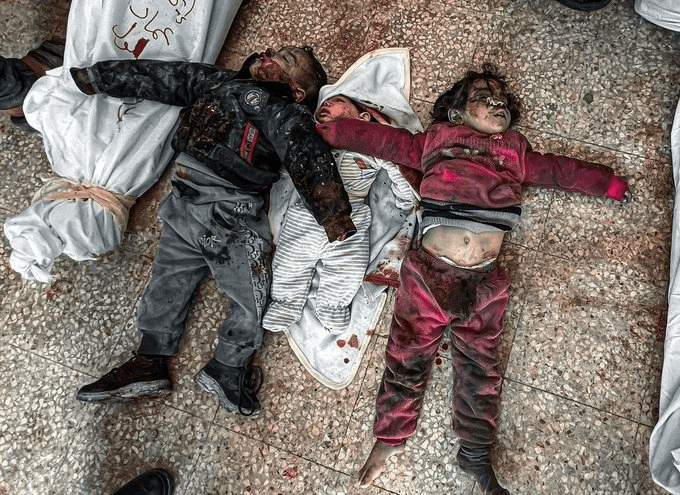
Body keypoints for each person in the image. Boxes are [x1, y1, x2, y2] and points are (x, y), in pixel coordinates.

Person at [317, 63, 630, 494]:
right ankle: (388, 439)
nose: (497, 101)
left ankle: (476, 453)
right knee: (406, 358)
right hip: (428, 275)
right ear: (456, 113)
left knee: (481, 369)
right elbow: (387, 142)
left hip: (484, 283)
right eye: (483, 96)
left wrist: (607, 183)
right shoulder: (436, 140)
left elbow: (561, 170)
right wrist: (335, 131)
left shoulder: (514, 151)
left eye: (502, 99)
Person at [74, 46, 356, 416]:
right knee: (167, 280)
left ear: (297, 92)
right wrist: (100, 77)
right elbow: (165, 77)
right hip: (183, 203)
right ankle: (150, 358)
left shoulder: (281, 109)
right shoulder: (218, 81)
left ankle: (228, 365)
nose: (271, 52)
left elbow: (307, 155)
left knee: (248, 293)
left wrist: (334, 216)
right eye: (276, 50)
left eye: (285, 61)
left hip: (229, 213)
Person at [262, 93, 414, 334]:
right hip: (309, 212)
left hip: (352, 216)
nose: (327, 104)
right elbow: (289, 158)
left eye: (338, 101)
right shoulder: (314, 140)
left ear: (363, 118)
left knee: (348, 266)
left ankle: (332, 305)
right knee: (291, 260)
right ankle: (285, 302)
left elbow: (399, 176)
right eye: (324, 104)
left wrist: (403, 195)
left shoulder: (370, 150)